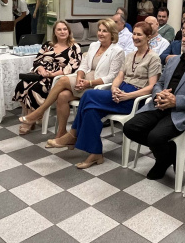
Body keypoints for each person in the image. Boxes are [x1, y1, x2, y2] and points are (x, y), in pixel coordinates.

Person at [52, 21, 162, 167]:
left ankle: (73, 134)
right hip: (119, 92)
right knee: (91, 111)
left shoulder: (153, 58)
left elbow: (152, 87)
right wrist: (114, 89)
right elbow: (118, 77)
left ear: (148, 37)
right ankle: (96, 153)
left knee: (88, 95)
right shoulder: (130, 56)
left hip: (135, 98)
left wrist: (127, 96)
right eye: (134, 34)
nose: (135, 37)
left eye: (139, 34)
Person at [124, 26, 185, 180]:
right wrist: (159, 95)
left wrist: (176, 101)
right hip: (160, 105)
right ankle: (168, 153)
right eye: (184, 35)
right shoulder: (174, 60)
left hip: (182, 111)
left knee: (156, 137)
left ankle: (162, 161)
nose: (184, 39)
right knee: (130, 128)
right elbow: (158, 83)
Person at [18, 20, 125, 137]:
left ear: (112, 33)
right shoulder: (94, 45)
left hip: (99, 85)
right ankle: (61, 133)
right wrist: (79, 78)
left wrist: (89, 82)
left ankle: (39, 111)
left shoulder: (117, 51)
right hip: (85, 79)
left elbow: (112, 77)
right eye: (99, 30)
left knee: (62, 80)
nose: (100, 33)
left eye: (105, 31)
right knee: (62, 95)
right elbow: (83, 66)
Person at [13, 21, 82, 131]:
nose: (62, 32)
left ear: (69, 31)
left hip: (56, 78)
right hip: (40, 74)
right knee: (21, 85)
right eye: (59, 29)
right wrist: (41, 69)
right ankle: (31, 117)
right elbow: (37, 61)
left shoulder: (75, 47)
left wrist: (52, 74)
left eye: (65, 29)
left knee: (35, 88)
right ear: (54, 32)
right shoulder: (47, 45)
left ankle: (29, 121)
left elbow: (73, 66)